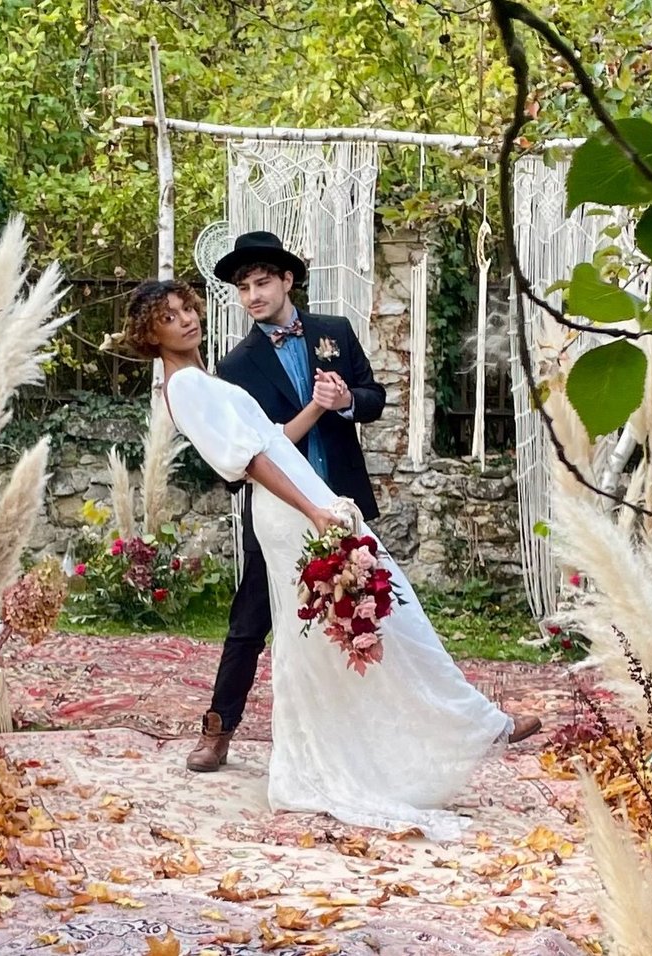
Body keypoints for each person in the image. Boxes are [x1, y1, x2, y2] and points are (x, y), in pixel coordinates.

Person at [122, 277, 542, 841]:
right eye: (168, 318)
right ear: (151, 335)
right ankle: (430, 736)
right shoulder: (188, 388)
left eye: (185, 309)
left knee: (380, 614)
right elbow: (248, 463)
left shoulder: (202, 378)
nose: (185, 320)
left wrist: (319, 410)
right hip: (293, 511)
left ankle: (464, 725)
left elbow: (271, 440)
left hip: (308, 499)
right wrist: (313, 511)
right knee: (359, 623)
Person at [191, 231, 386, 775]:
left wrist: (346, 400)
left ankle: (370, 733)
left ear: (287, 281)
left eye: (261, 283)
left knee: (368, 613)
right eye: (243, 287)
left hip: (342, 501)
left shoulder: (335, 333)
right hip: (280, 512)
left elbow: (375, 398)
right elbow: (252, 451)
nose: (252, 295)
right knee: (249, 622)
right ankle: (217, 729)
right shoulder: (235, 367)